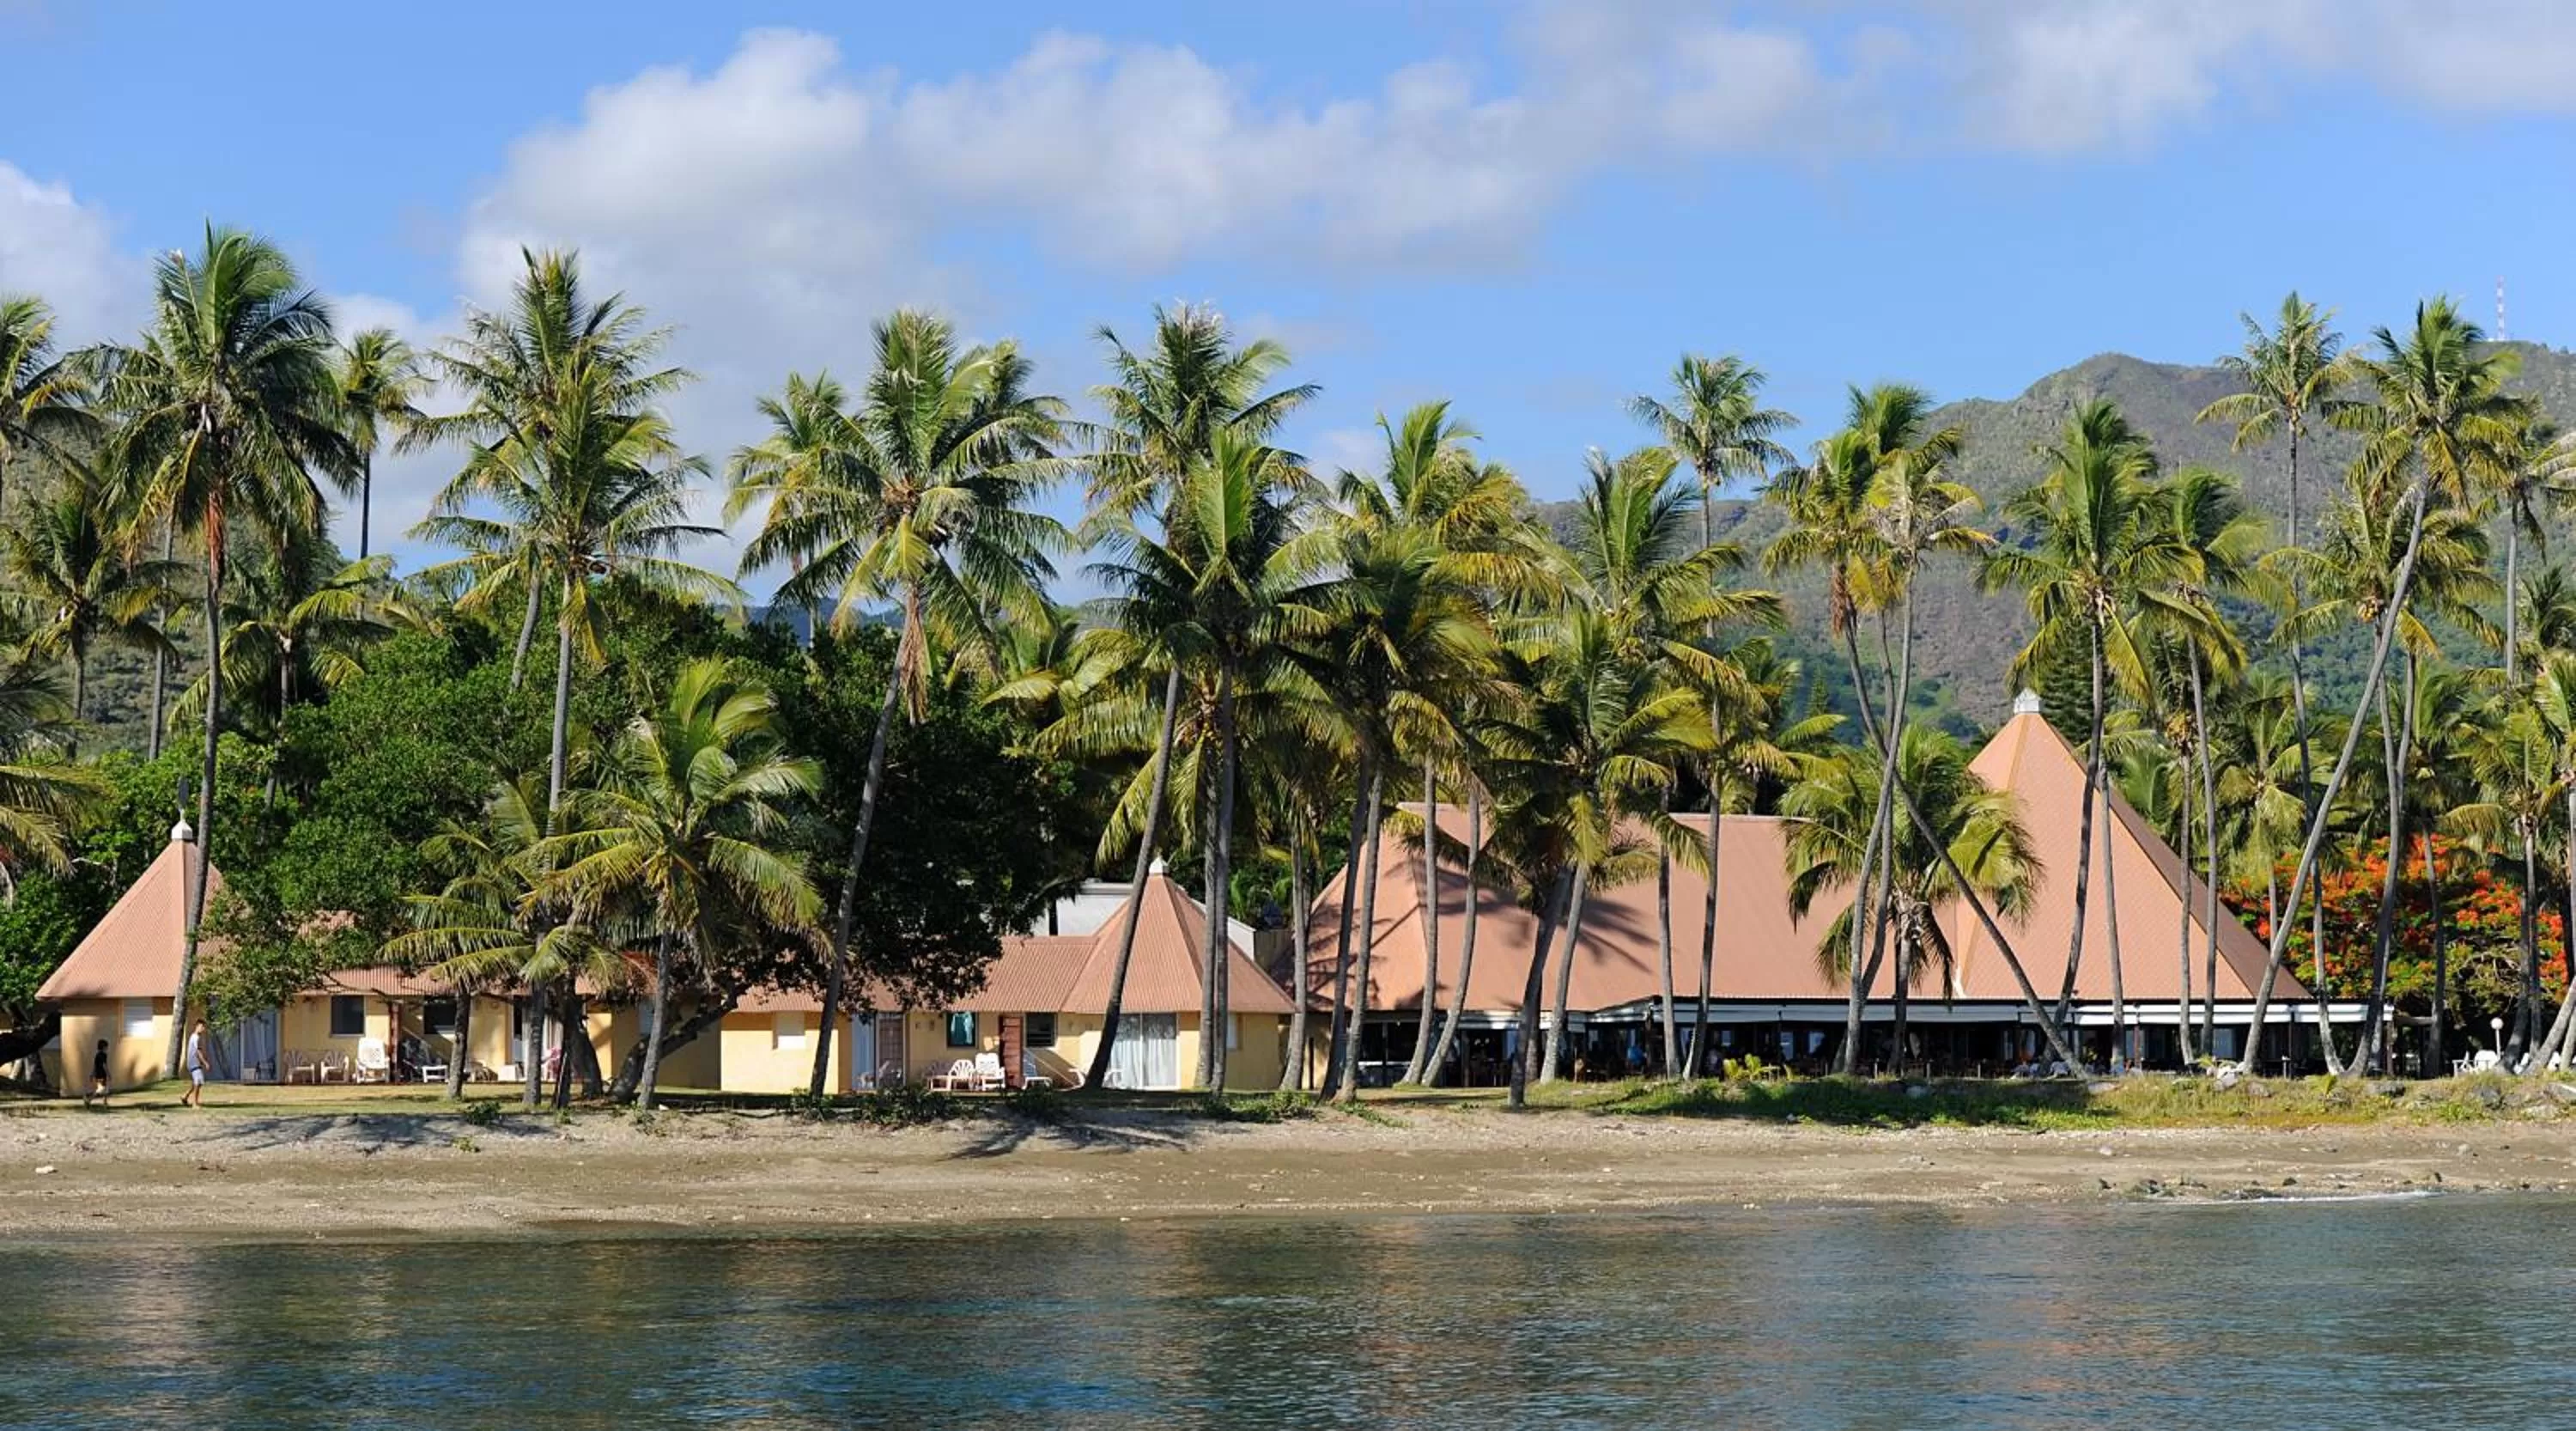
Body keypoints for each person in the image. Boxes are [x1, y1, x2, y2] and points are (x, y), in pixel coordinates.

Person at [182, 1019, 209, 1108]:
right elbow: (198, 1052)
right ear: (197, 1026)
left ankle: (185, 1096)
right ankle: (195, 1104)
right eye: (202, 1027)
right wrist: (205, 1063)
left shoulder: (194, 1037)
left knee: (196, 1082)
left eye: (204, 1027)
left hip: (193, 1063)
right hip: (194, 1063)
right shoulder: (196, 1037)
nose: (203, 1029)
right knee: (198, 1082)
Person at [83, 1038, 110, 1108]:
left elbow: (95, 1065)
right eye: (107, 1047)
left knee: (106, 1089)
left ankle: (105, 1103)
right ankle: (88, 1099)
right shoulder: (103, 1055)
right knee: (101, 1089)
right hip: (100, 1074)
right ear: (104, 1047)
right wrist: (108, 1073)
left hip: (98, 1074)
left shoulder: (97, 1055)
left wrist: (92, 1074)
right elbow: (104, 1065)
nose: (107, 1048)